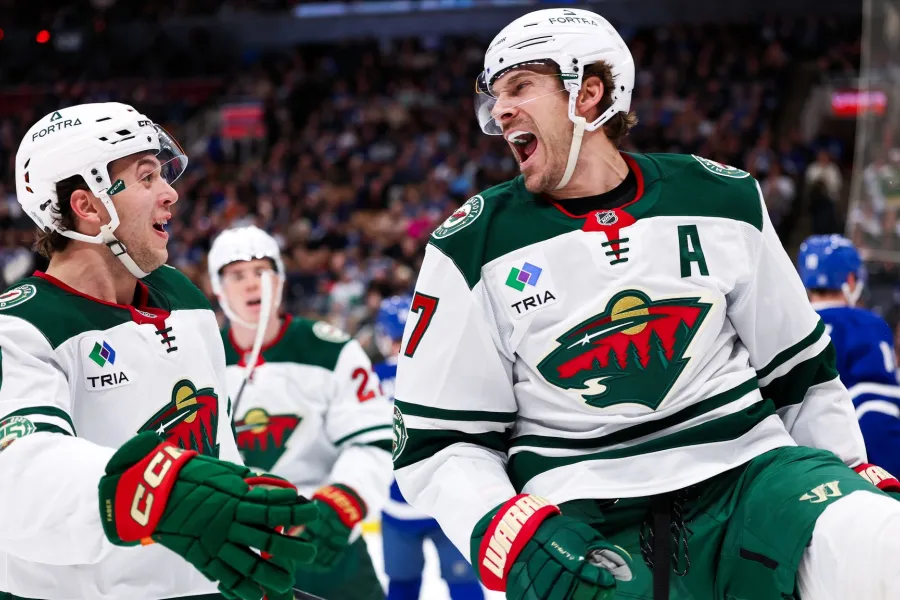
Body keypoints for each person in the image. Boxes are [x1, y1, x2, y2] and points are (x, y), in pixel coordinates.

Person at [392, 9, 900, 600]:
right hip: (582, 513)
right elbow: (438, 440)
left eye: (519, 86)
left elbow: (800, 375)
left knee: (880, 546)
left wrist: (845, 476)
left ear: (588, 93)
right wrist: (510, 534)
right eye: (496, 95)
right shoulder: (469, 245)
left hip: (753, 479)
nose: (500, 111)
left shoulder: (722, 196)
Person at [0, 103, 319, 600]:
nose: (171, 193)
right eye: (146, 177)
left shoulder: (183, 297)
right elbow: (19, 475)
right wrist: (159, 487)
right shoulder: (19, 326)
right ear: (88, 207)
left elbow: (214, 444)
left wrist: (242, 503)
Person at [208, 225, 393, 600]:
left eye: (262, 271)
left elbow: (374, 441)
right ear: (218, 288)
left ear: (280, 280)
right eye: (237, 275)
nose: (252, 283)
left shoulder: (331, 351)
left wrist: (340, 506)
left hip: (324, 538)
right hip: (235, 549)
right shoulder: (200, 360)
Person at [374, 296, 485, 600]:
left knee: (402, 587)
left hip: (397, 507)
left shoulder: (371, 378)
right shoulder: (446, 370)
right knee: (464, 586)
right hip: (447, 501)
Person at [798, 234, 900, 476]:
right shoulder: (867, 325)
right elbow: (876, 410)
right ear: (851, 280)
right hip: (852, 471)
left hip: (796, 467)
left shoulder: (787, 324)